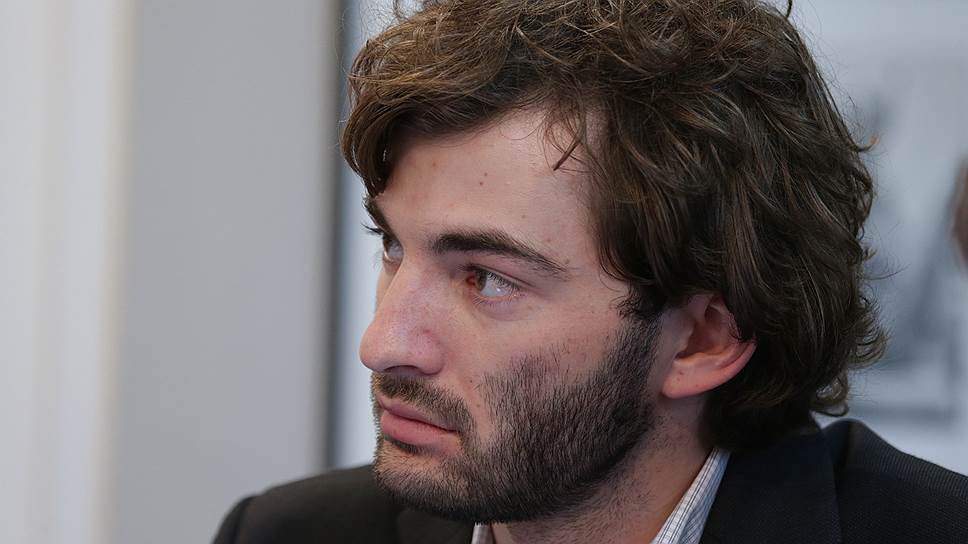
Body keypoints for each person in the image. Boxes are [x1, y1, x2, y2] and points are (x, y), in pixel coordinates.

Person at [214, 0, 968, 542]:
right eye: (392, 247)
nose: (382, 343)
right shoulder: (288, 532)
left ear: (702, 339)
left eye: (487, 278)